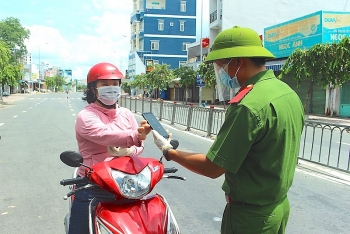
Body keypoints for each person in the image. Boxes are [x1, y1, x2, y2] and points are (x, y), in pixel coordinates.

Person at [140, 26, 305, 233]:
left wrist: (168, 151)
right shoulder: (287, 93)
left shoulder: (248, 105)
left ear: (238, 61)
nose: (223, 73)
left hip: (250, 219)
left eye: (222, 66)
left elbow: (213, 167)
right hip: (278, 207)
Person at [68, 62, 146, 234]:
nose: (111, 88)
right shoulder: (86, 116)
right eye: (104, 84)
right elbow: (104, 135)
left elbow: (139, 146)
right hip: (94, 183)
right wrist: (135, 137)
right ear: (93, 89)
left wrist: (130, 150)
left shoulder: (126, 114)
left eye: (114, 84)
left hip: (126, 181)